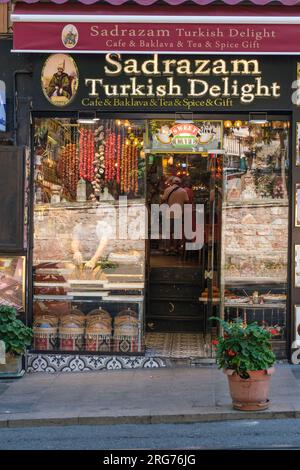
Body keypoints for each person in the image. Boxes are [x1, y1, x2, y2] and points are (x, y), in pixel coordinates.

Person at [161, 176, 189, 254]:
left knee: (168, 232)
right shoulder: (183, 191)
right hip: (179, 214)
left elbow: (163, 200)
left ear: (172, 183)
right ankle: (176, 248)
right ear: (180, 183)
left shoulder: (167, 190)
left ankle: (167, 248)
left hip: (169, 213)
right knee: (177, 232)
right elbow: (187, 201)